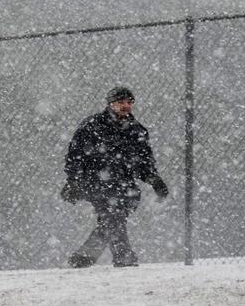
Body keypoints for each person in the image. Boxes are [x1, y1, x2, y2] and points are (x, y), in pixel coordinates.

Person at [60, 86, 169, 267]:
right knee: (114, 214)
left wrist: (154, 180)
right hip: (96, 182)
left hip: (125, 186)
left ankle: (83, 257)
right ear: (110, 104)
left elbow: (144, 163)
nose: (126, 106)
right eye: (121, 102)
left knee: (111, 219)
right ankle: (124, 256)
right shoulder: (91, 126)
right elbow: (74, 157)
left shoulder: (137, 131)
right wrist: (73, 182)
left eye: (129, 102)